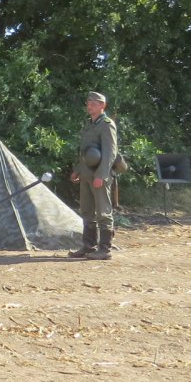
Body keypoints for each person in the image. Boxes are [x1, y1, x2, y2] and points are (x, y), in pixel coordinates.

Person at [69, 91, 118, 260]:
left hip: (99, 175)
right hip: (86, 174)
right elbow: (84, 151)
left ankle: (105, 249)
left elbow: (110, 153)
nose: (89, 106)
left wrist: (101, 175)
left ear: (102, 105)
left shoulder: (106, 124)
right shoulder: (89, 124)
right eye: (88, 103)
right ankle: (89, 246)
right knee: (87, 210)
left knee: (103, 212)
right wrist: (77, 170)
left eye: (93, 103)